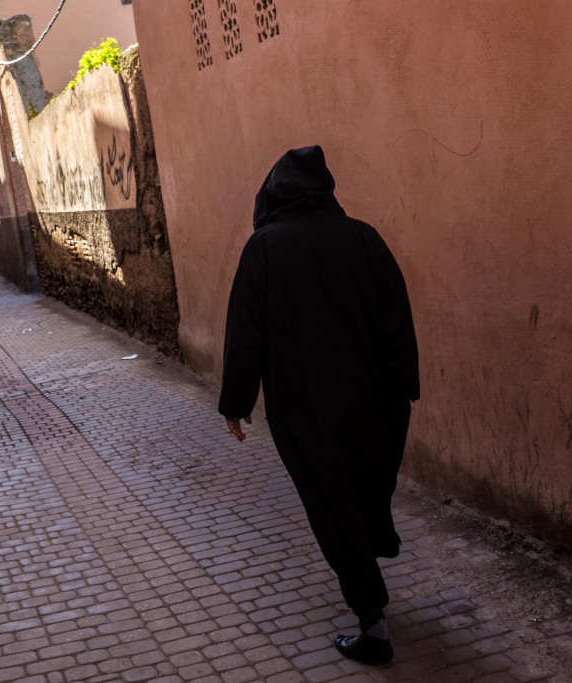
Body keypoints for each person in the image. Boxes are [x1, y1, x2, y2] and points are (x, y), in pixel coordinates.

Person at [218, 145, 420, 665]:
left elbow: (247, 333)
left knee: (331, 505)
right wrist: (404, 388)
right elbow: (397, 315)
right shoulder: (363, 238)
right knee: (365, 489)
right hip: (376, 400)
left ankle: (372, 624)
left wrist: (236, 403)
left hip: (306, 408)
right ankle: (371, 554)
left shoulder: (264, 248)